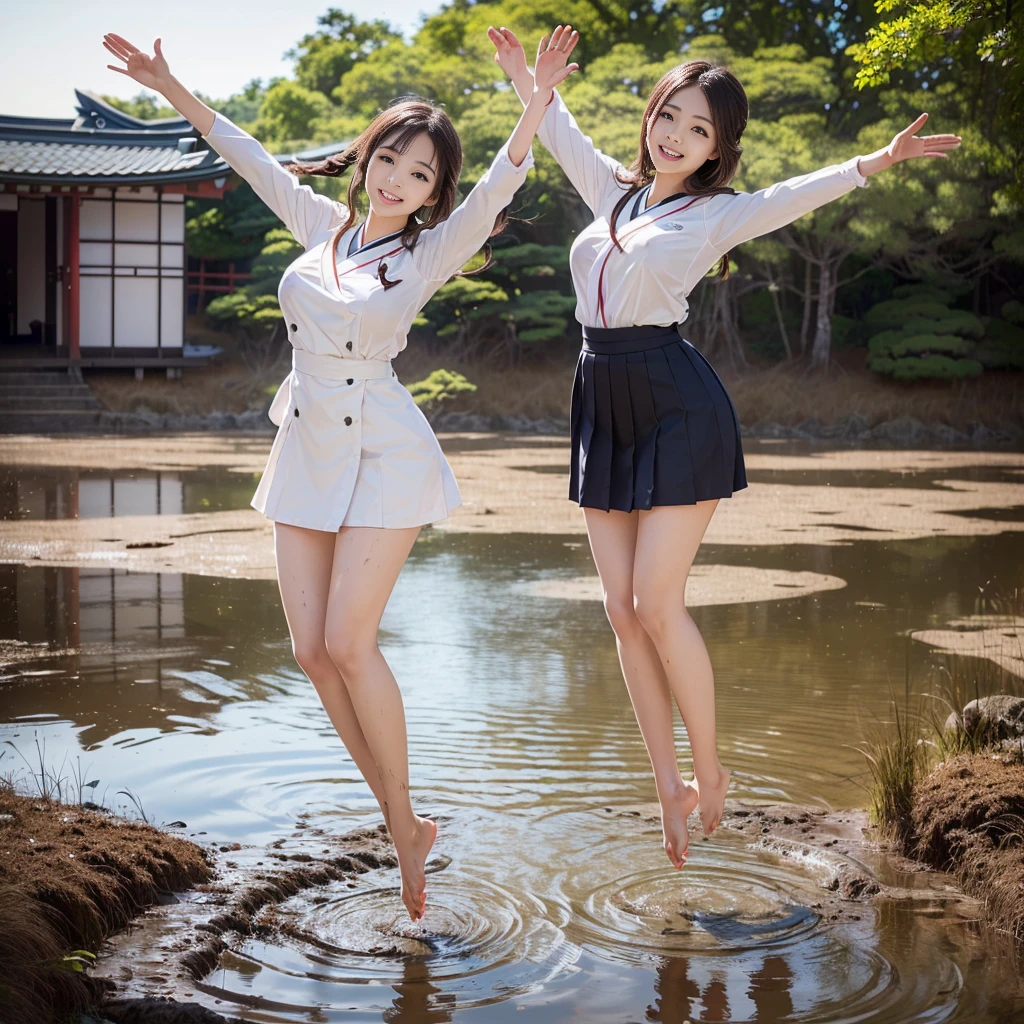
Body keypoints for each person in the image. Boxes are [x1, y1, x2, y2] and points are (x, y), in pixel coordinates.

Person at [103, 30, 578, 921]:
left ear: (435, 194)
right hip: (306, 446)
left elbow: (500, 185)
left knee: (353, 646)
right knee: (313, 655)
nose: (400, 179)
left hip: (386, 453)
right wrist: (173, 86)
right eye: (391, 158)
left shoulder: (426, 253)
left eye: (421, 174)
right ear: (367, 158)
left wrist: (535, 102)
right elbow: (247, 157)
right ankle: (406, 823)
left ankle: (403, 827)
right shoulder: (322, 228)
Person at [491, 24, 960, 870]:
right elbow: (557, 132)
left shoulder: (717, 215)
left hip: (676, 402)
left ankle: (713, 769)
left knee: (657, 605)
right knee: (618, 614)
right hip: (601, 398)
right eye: (669, 114)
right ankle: (666, 782)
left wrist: (877, 163)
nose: (674, 133)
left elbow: (798, 195)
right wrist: (529, 79)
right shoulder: (616, 195)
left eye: (698, 128)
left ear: (716, 149)